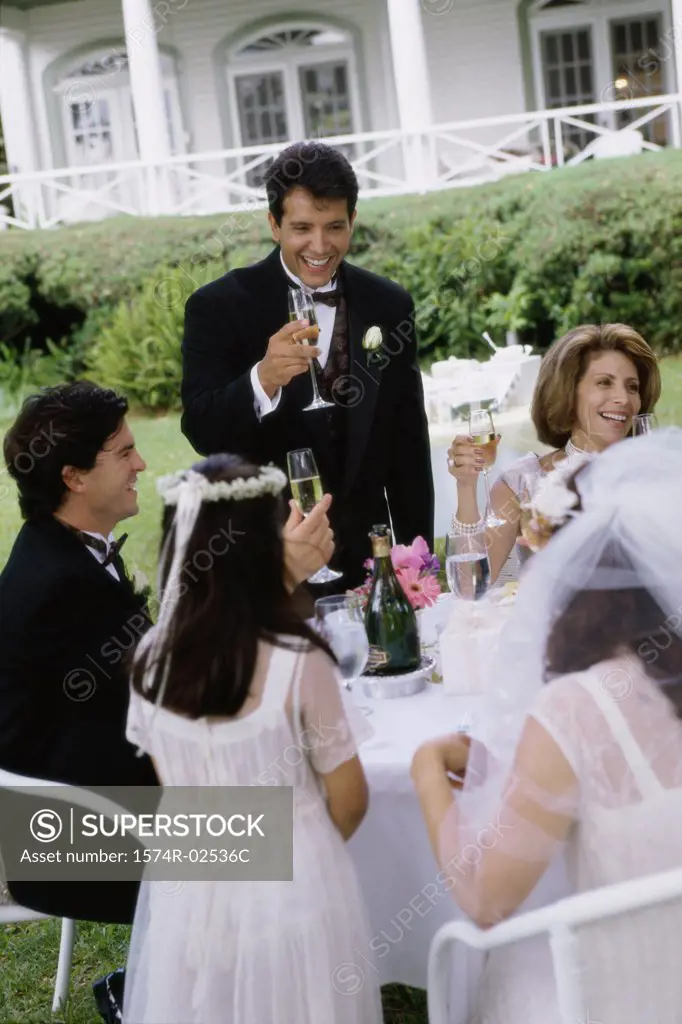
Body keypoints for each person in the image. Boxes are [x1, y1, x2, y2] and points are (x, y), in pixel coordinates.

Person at [0, 382, 334, 1020]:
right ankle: (179, 992)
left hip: (93, 805)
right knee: (292, 829)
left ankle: (185, 983)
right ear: (73, 476)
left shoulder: (62, 552)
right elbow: (184, 691)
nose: (142, 464)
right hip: (71, 839)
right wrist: (274, 581)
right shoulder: (56, 585)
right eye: (124, 452)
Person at [413, 428, 682, 1023]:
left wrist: (428, 769)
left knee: (512, 971)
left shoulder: (578, 709)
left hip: (631, 996)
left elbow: (486, 898)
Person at [122, 453, 382, 1024]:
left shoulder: (150, 660)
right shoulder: (297, 659)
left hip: (192, 888)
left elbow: (176, 788)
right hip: (296, 885)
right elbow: (350, 797)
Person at [180, 141, 434, 587]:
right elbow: (201, 431)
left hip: (370, 567)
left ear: (353, 221)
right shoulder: (218, 306)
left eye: (334, 226)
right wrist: (262, 381)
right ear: (274, 225)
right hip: (270, 567)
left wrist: (416, 564)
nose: (320, 246)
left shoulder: (389, 304)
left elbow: (408, 447)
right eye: (302, 228)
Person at [447, 323, 660, 583]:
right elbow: (471, 587)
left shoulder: (658, 476)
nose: (623, 399)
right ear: (568, 393)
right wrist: (466, 487)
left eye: (632, 387)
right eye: (604, 382)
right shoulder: (522, 483)